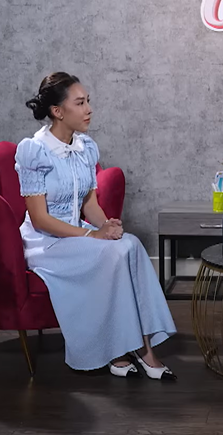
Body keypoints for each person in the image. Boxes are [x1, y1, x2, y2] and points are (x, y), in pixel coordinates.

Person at [15, 72, 177, 380]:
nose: (89, 109)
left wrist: (108, 226)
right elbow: (40, 219)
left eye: (88, 101)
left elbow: (89, 203)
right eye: (80, 103)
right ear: (57, 111)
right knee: (111, 253)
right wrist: (93, 234)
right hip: (46, 242)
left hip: (76, 233)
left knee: (130, 244)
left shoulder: (84, 147)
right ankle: (138, 350)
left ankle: (127, 348)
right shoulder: (34, 151)